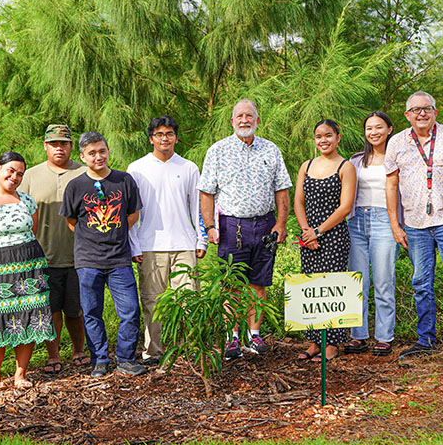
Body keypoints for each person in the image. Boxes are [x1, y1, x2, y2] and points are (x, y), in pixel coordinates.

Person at [386, 91, 443, 366]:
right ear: (407, 115)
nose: (422, 113)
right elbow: (391, 185)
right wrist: (395, 224)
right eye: (416, 110)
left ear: (435, 112)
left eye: (427, 108)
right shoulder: (397, 143)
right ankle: (424, 341)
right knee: (421, 283)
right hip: (415, 224)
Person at [199, 99, 292, 360]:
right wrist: (209, 227)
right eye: (239, 116)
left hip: (265, 224)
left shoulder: (270, 150)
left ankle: (254, 335)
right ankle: (232, 338)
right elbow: (206, 193)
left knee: (258, 283)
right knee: (232, 285)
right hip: (231, 226)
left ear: (257, 120)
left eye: (249, 116)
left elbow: (282, 189)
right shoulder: (218, 151)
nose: (244, 120)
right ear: (232, 121)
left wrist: (281, 224)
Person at [60, 131, 147, 378]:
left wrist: (113, 233)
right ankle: (99, 359)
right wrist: (93, 238)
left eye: (102, 151)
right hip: (87, 261)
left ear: (108, 151)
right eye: (92, 153)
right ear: (82, 156)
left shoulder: (124, 180)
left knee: (130, 310)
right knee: (91, 312)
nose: (98, 157)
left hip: (119, 258)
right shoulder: (75, 186)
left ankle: (126, 359)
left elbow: (132, 214)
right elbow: (71, 221)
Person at [0, 152, 56, 391]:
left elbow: (32, 232)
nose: (14, 177)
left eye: (20, 174)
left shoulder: (27, 201)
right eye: (10, 171)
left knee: (29, 318)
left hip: (30, 267)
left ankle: (20, 374)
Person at [127, 116, 207, 365]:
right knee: (153, 303)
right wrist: (134, 244)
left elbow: (198, 207)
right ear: (151, 138)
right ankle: (154, 352)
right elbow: (130, 212)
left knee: (188, 300)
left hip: (184, 244)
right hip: (149, 245)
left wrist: (201, 239)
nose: (165, 138)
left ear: (176, 137)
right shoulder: (136, 168)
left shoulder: (189, 168)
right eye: (159, 134)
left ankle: (188, 348)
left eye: (169, 133)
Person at [20, 124, 89, 372]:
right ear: (46, 146)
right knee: (50, 310)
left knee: (76, 309)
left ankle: (79, 350)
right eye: (54, 144)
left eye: (64, 143)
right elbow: (20, 211)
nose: (59, 148)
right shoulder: (30, 175)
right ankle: (53, 354)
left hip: (79, 255)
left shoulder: (85, 173)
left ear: (72, 147)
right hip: (42, 256)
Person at [293, 119, 357, 361]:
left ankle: (332, 343)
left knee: (332, 287)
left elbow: (345, 207)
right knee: (311, 288)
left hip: (333, 236)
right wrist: (306, 231)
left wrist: (318, 232)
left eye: (328, 135)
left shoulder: (346, 167)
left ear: (338, 137)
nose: (324, 140)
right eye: (319, 136)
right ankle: (314, 341)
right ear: (314, 140)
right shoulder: (306, 166)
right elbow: (299, 202)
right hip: (308, 236)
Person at [347, 112, 404, 356]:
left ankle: (384, 336)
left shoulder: (398, 158)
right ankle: (358, 336)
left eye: (378, 127)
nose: (373, 132)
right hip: (356, 221)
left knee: (383, 280)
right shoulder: (356, 160)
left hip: (385, 221)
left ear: (389, 129)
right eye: (369, 128)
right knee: (357, 280)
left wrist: (399, 225)